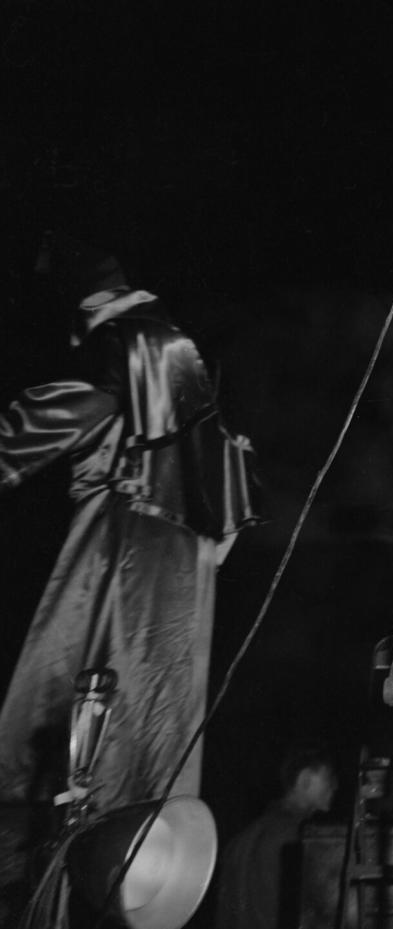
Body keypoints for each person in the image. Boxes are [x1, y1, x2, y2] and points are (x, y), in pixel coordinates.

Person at [0, 233, 260, 891]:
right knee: (136, 779)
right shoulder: (182, 357)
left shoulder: (123, 345)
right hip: (174, 611)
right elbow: (231, 504)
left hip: (115, 576)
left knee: (62, 757)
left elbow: (50, 416)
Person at [215, 743, 339, 929]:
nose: (335, 786)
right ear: (305, 780)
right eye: (328, 778)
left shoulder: (241, 840)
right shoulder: (299, 839)